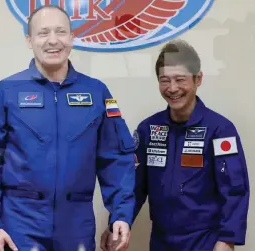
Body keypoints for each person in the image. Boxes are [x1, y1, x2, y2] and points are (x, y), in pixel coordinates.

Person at [0, 5, 136, 251]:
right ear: (29, 40)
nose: (53, 41)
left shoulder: (96, 92)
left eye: (61, 32)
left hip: (76, 224)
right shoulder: (5, 91)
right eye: (43, 33)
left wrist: (121, 214)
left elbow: (115, 159)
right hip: (19, 224)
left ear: (72, 37)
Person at [100, 39, 250, 251]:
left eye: (180, 79)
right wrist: (117, 223)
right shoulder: (148, 129)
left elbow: (235, 190)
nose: (172, 88)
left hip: (205, 241)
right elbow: (133, 186)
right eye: (164, 80)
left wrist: (227, 240)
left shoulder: (220, 130)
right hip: (161, 241)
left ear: (198, 79)